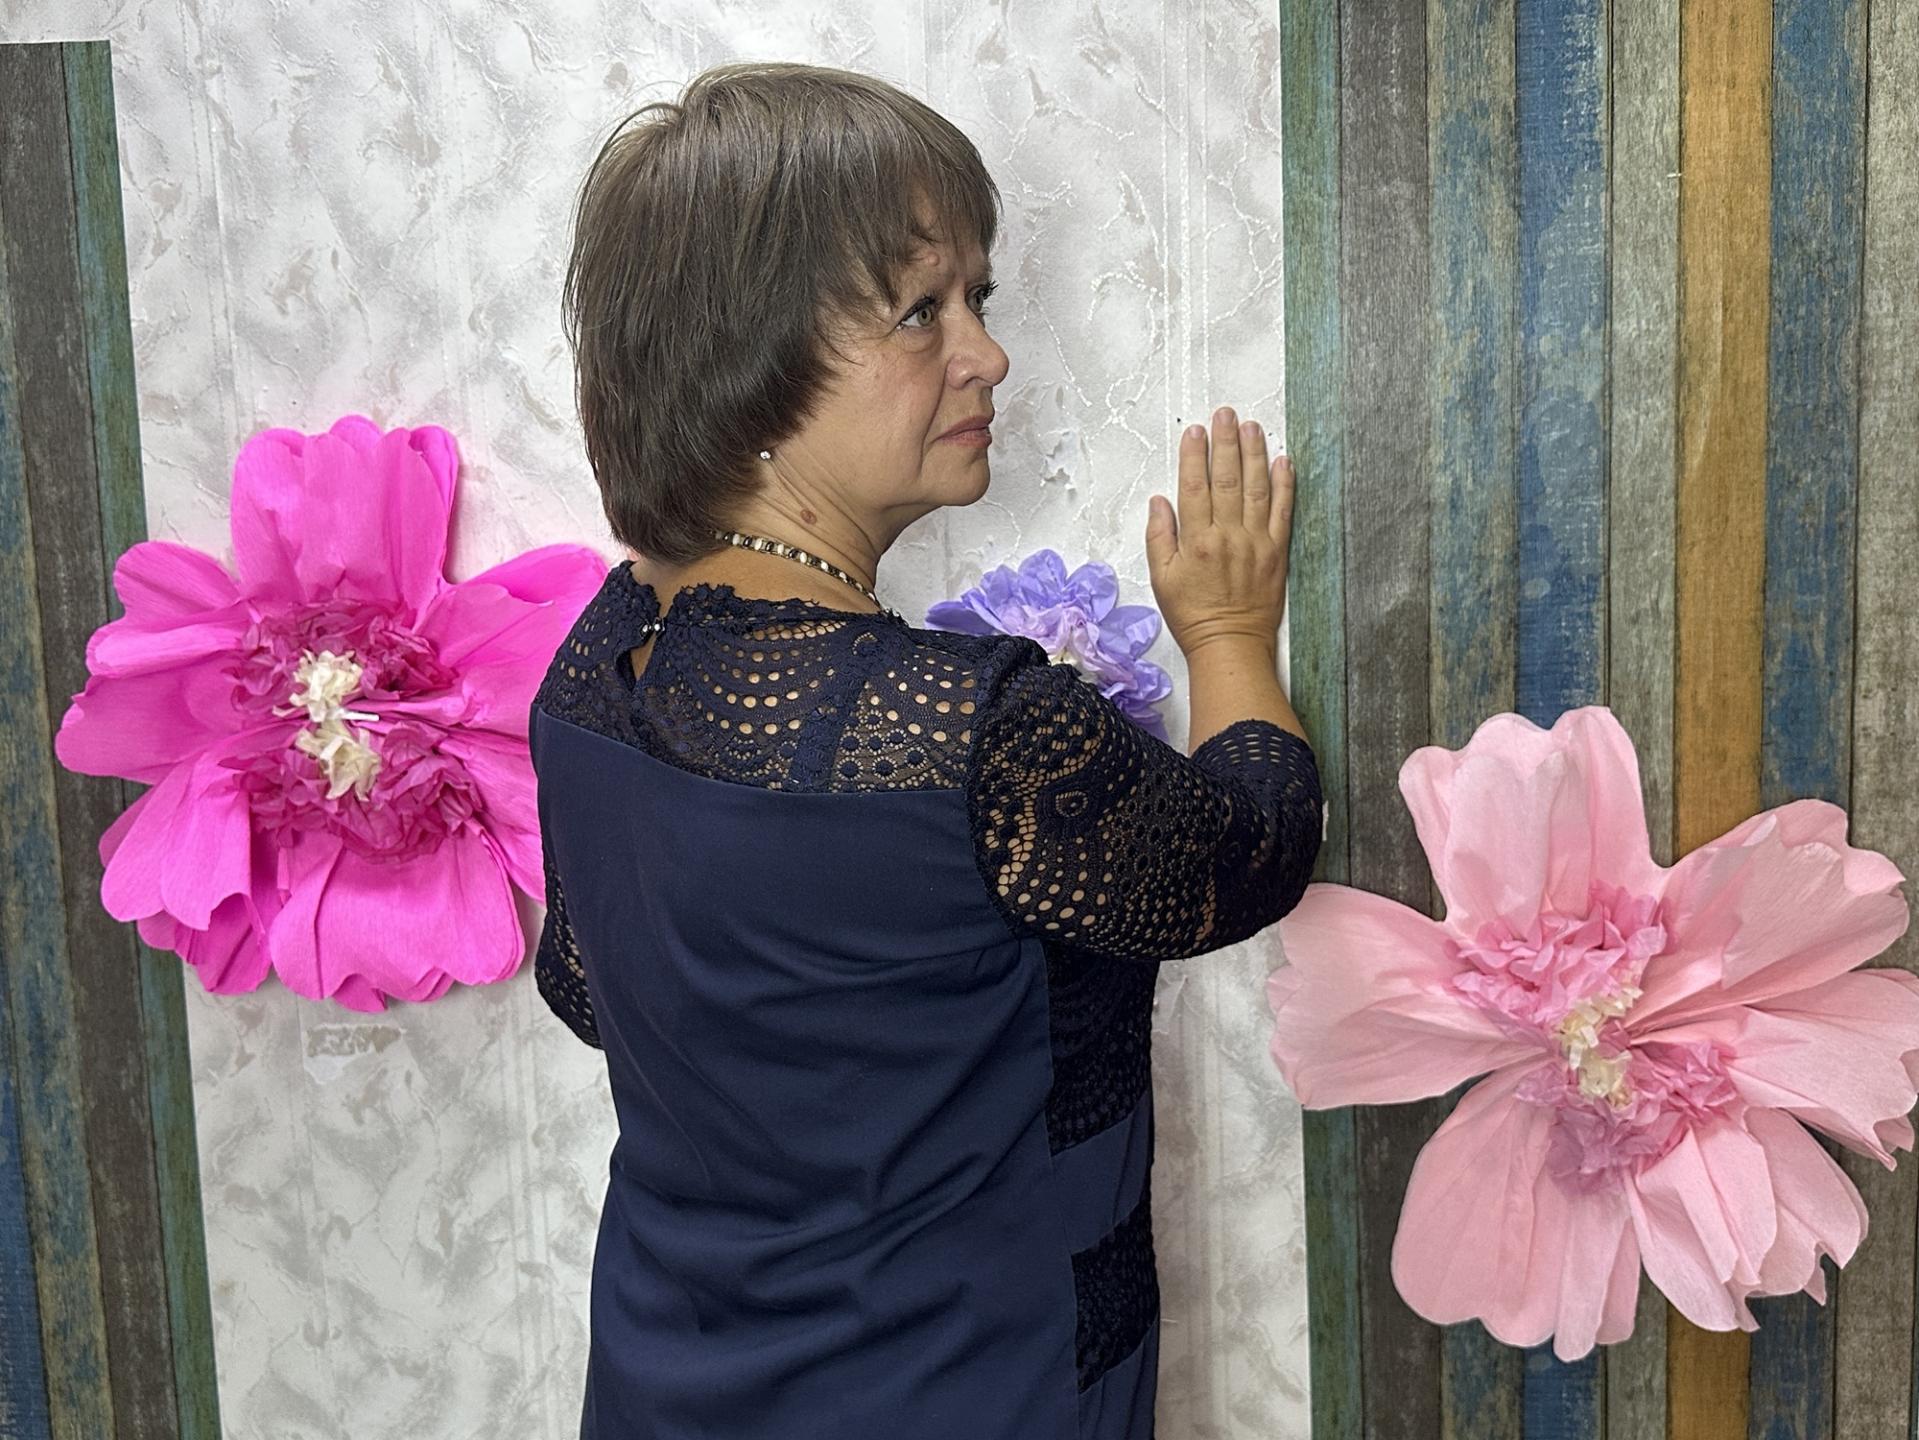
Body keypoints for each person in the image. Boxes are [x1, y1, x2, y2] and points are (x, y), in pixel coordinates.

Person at [531, 59, 1323, 1440]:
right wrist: (1229, 636)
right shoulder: (976, 733)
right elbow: (1250, 850)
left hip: (671, 1381)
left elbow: (589, 985)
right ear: (748, 360)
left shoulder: (594, 674)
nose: (987, 355)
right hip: (971, 1387)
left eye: (979, 299)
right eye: (921, 311)